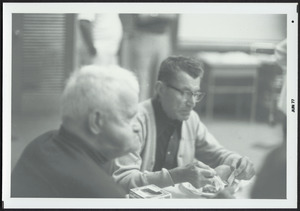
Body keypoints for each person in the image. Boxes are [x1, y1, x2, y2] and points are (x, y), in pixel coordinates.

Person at [109, 56, 256, 192]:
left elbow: (216, 153)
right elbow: (122, 181)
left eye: (195, 94)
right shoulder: (135, 122)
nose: (192, 103)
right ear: (160, 89)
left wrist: (237, 162)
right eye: (185, 93)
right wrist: (175, 176)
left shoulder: (191, 119)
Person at [11, 65, 140, 198]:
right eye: (129, 118)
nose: (137, 127)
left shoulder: (40, 143)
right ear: (96, 121)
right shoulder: (102, 194)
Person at [120, 14, 178, 101]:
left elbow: (172, 16)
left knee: (162, 79)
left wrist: (153, 14)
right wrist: (162, 14)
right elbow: (141, 17)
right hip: (143, 36)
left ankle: (157, 111)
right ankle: (140, 112)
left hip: (163, 36)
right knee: (142, 81)